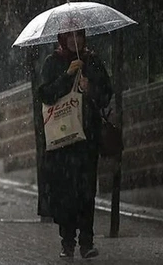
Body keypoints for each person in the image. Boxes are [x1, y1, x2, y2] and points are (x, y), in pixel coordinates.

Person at [38, 29, 112, 260]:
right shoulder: (53, 62)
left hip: (86, 139)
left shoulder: (92, 61)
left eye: (78, 35)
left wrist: (91, 89)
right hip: (62, 141)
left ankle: (87, 242)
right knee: (65, 193)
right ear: (62, 39)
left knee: (86, 191)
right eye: (69, 36)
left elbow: (106, 95)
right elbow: (45, 94)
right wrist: (66, 77)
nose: (74, 40)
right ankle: (67, 241)